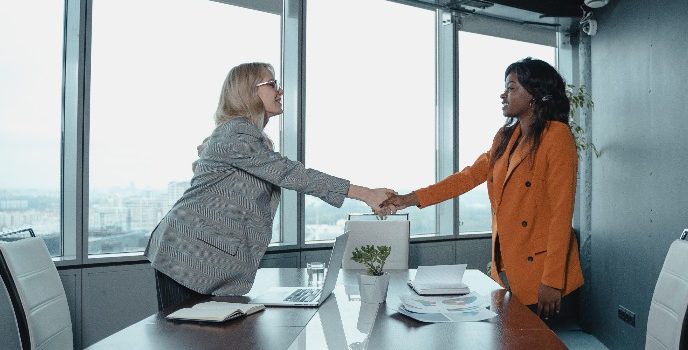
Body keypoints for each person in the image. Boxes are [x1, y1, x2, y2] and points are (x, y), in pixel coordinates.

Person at [145, 62, 394, 310]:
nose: (280, 91)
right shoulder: (236, 134)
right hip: (187, 254)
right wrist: (366, 194)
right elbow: (292, 173)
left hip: (203, 255)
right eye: (272, 84)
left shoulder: (245, 136)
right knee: (188, 335)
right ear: (249, 91)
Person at [380, 57, 583, 321]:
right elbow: (465, 178)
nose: (503, 94)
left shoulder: (557, 136)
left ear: (534, 95)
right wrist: (408, 199)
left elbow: (561, 214)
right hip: (506, 266)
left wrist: (553, 281)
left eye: (511, 88)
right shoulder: (505, 137)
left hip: (543, 272)